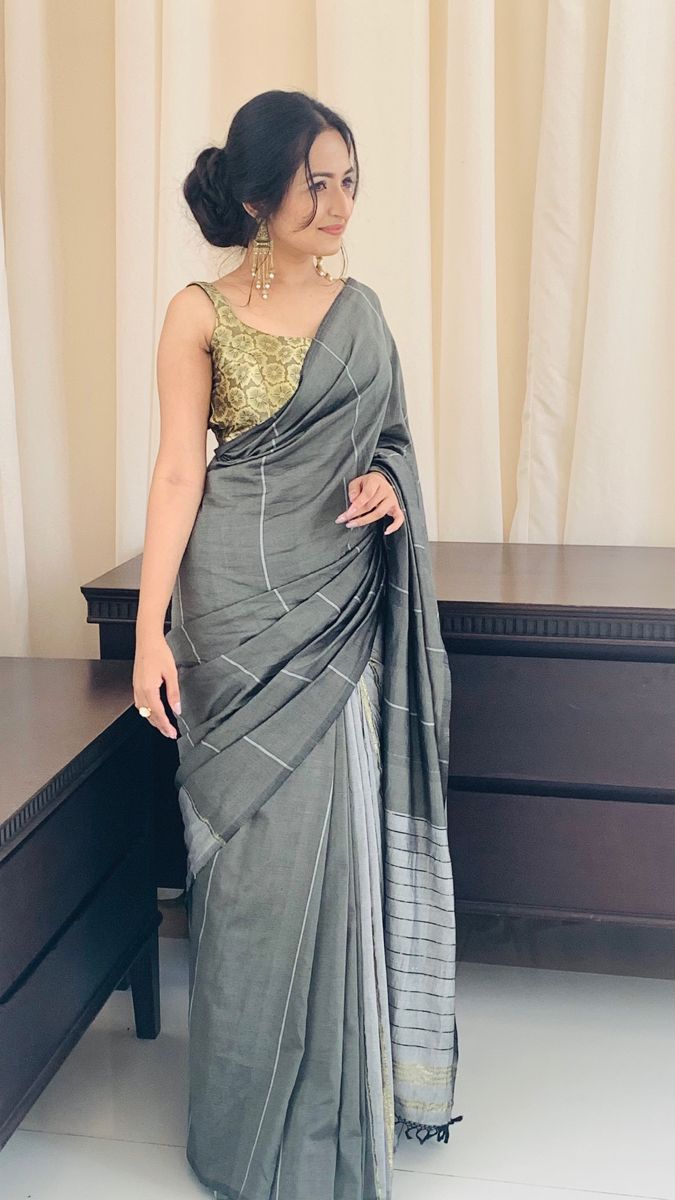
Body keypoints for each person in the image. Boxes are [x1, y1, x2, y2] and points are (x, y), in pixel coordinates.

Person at [133, 88, 462, 1200]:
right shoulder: (197, 313)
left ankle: (334, 1118)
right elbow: (182, 473)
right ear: (259, 192)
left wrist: (387, 485)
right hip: (230, 613)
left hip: (336, 610)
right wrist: (148, 634)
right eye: (317, 180)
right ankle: (237, 1129)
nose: (338, 202)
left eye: (349, 179)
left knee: (332, 851)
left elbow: (396, 445)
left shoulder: (361, 314)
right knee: (249, 877)